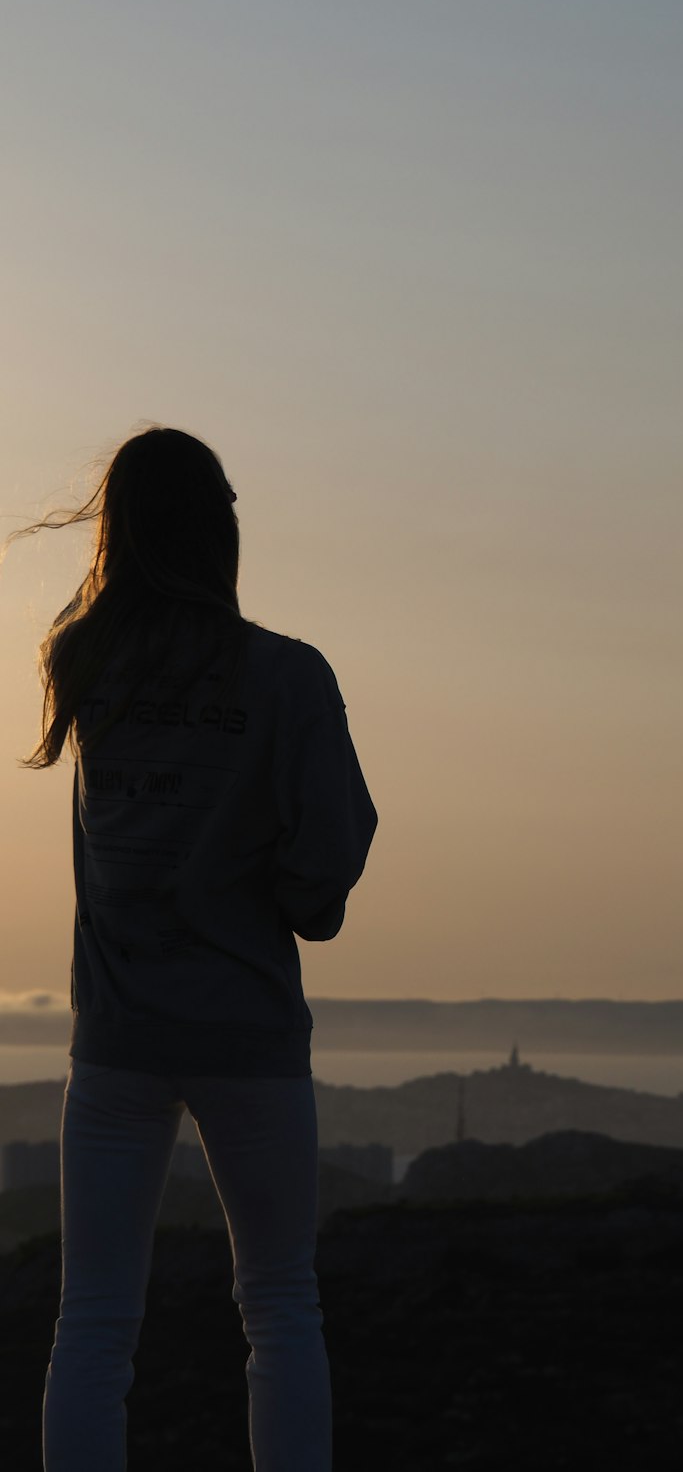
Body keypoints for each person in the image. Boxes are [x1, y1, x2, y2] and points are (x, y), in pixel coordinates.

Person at [20, 427, 377, 1471]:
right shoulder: (289, 678)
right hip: (247, 1032)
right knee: (280, 1305)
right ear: (214, 527)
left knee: (92, 1320)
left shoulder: (82, 665)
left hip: (119, 1039)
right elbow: (322, 886)